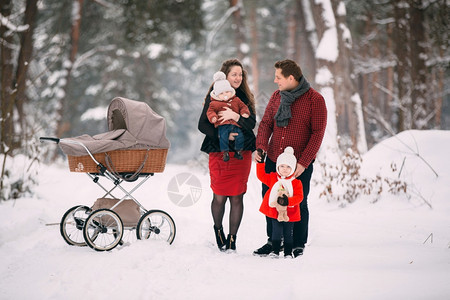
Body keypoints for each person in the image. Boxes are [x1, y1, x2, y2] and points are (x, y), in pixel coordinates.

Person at [253, 59, 327, 258]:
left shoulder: (315, 100)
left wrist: (304, 162)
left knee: (298, 202)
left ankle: (297, 243)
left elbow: (317, 133)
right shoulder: (276, 97)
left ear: (291, 78)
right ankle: (273, 240)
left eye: (279, 77)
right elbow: (266, 123)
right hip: (273, 159)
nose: (275, 80)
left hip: (298, 164)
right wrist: (260, 147)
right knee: (270, 199)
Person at [198, 59, 256, 251]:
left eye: (240, 74)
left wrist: (236, 117)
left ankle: (232, 239)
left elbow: (251, 123)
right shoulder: (214, 97)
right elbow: (203, 125)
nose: (238, 78)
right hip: (219, 151)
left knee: (238, 197)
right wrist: (224, 135)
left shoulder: (245, 97)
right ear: (225, 75)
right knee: (220, 196)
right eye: (234, 74)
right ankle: (218, 229)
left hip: (242, 152)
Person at [256, 146, 303, 258]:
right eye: (282, 166)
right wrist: (261, 163)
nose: (285, 169)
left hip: (290, 212)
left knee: (288, 233)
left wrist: (288, 201)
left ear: (293, 168)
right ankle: (275, 251)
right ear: (278, 166)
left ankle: (287, 252)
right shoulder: (273, 178)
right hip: (274, 211)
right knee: (276, 231)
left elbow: (299, 197)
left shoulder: (296, 183)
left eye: (288, 167)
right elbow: (261, 176)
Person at [207, 71, 250, 161]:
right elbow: (210, 112)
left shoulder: (236, 100)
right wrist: (213, 117)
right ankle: (225, 152)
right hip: (223, 125)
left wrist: (244, 113)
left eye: (227, 92)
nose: (225, 95)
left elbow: (243, 106)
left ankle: (238, 151)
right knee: (223, 137)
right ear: (217, 95)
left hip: (235, 124)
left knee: (240, 136)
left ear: (231, 91)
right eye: (222, 93)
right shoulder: (214, 103)